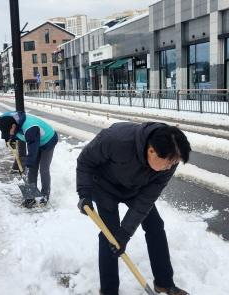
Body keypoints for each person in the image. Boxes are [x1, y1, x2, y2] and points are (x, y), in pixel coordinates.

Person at [76, 122, 191, 295]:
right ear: (151, 151)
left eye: (174, 163)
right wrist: (84, 193)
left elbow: (147, 199)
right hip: (105, 187)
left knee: (155, 226)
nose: (171, 167)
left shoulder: (169, 159)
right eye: (169, 163)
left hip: (137, 190)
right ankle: (109, 291)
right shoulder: (116, 138)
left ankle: (164, 282)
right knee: (109, 236)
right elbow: (85, 161)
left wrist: (125, 234)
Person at [0, 111, 58, 208]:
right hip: (34, 140)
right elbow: (8, 131)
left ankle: (45, 195)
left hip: (48, 140)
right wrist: (9, 138)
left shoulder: (30, 128)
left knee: (43, 168)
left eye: (9, 131)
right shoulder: (6, 120)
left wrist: (28, 163)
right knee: (32, 170)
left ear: (13, 126)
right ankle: (30, 196)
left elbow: (33, 149)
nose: (9, 133)